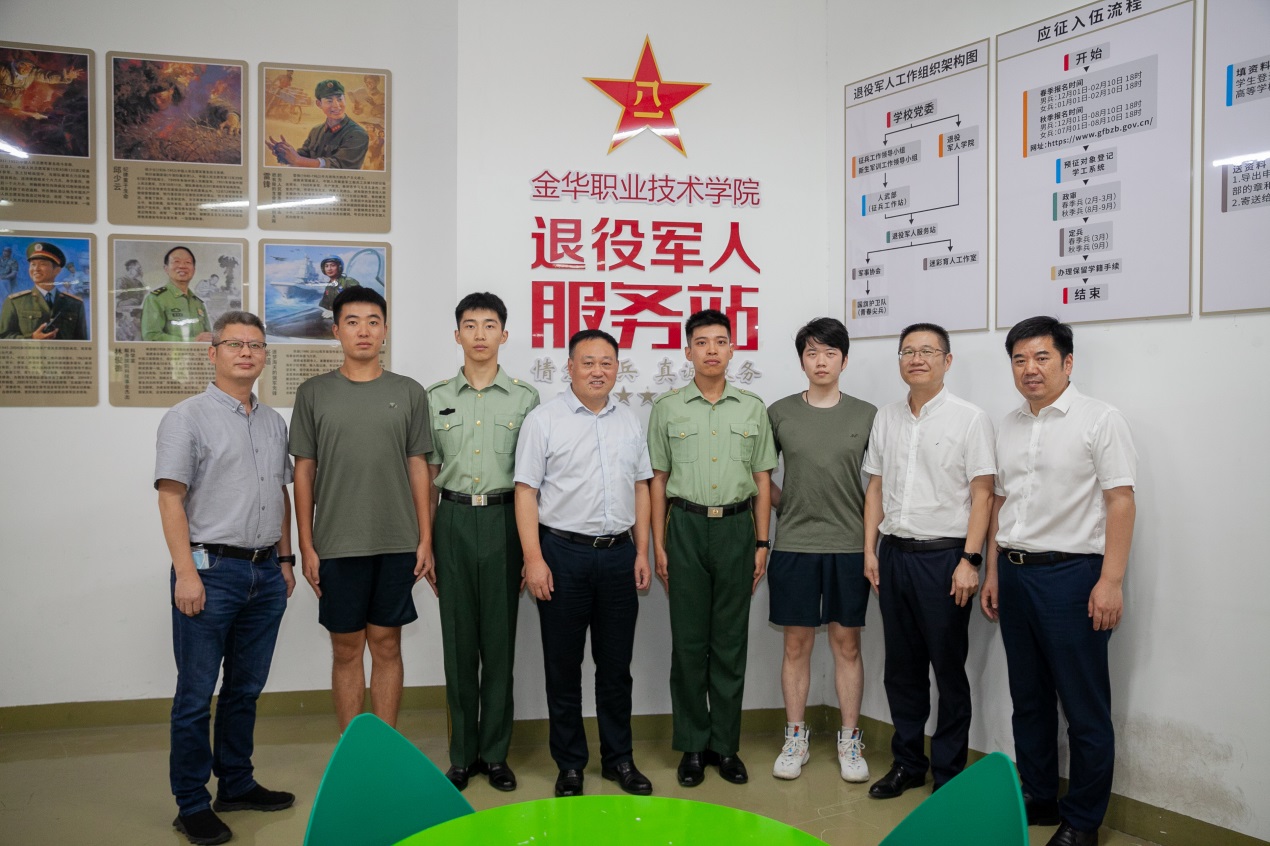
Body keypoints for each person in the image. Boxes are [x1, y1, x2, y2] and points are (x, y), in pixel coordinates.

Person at [982, 316, 1137, 846]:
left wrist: (1111, 581)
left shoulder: (1100, 419)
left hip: (1074, 578)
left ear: (1068, 363)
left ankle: (1083, 822)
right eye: (1020, 359)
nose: (1030, 369)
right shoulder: (1007, 424)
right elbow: (1001, 502)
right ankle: (1039, 795)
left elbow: (1121, 501)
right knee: (1028, 699)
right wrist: (993, 570)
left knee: (1084, 708)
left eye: (1042, 357)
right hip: (1015, 574)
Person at [155, 311, 296, 846]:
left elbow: (279, 493)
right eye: (234, 344)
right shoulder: (186, 418)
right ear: (212, 352)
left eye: (255, 345)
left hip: (265, 573)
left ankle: (235, 783)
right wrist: (186, 573)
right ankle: (191, 804)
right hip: (210, 573)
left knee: (245, 690)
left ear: (265, 357)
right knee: (195, 695)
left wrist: (286, 561)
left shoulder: (273, 421)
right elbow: (171, 498)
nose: (246, 353)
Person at [515, 329, 655, 798]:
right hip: (562, 555)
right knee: (563, 667)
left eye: (607, 362)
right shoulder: (544, 420)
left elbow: (641, 485)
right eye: (588, 362)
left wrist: (641, 550)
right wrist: (534, 559)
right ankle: (570, 764)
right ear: (569, 368)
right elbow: (526, 492)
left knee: (616, 667)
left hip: (618, 556)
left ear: (617, 368)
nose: (598, 371)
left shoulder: (629, 421)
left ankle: (619, 759)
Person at [290, 287, 434, 732]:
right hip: (336, 543)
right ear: (336, 331)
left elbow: (418, 467)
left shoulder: (409, 392)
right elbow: (304, 472)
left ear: (385, 329)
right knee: (346, 649)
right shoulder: (314, 393)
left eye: (373, 321)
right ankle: (352, 753)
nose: (364, 331)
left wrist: (426, 538)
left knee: (387, 645)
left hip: (397, 540)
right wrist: (306, 545)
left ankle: (384, 750)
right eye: (352, 322)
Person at [860, 322, 995, 799]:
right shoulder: (887, 417)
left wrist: (971, 560)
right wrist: (870, 550)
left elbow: (983, 495)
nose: (916, 359)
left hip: (945, 559)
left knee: (948, 670)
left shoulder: (970, 419)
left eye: (928, 351)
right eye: (908, 351)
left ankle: (950, 774)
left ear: (947, 361)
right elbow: (875, 488)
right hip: (894, 555)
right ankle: (907, 764)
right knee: (902, 669)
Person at [648, 309, 777, 788]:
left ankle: (725, 746)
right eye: (701, 342)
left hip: (737, 530)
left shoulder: (752, 408)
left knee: (730, 643)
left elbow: (763, 480)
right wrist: (659, 544)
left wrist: (762, 542)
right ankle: (692, 746)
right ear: (687, 351)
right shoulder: (667, 408)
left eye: (720, 341)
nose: (711, 350)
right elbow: (657, 480)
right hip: (684, 527)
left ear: (732, 348)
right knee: (688, 644)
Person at [426, 292, 539, 792]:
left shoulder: (525, 398)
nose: (479, 334)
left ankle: (495, 754)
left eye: (489, 325)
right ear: (457, 335)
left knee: (498, 644)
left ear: (504, 335)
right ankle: (461, 755)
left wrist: (531, 550)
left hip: (504, 521)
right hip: (451, 519)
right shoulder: (434, 397)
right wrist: (426, 541)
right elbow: (427, 475)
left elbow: (533, 481)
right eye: (469, 325)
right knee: (457, 645)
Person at [766, 318, 877, 782]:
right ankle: (796, 737)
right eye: (812, 353)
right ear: (801, 361)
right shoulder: (779, 413)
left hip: (848, 547)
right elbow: (759, 478)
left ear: (844, 360)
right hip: (794, 545)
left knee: (846, 645)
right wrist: (787, 503)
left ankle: (850, 740)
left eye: (830, 353)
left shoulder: (868, 415)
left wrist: (869, 546)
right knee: (796, 644)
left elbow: (878, 485)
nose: (821, 361)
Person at [267, 79, 369, 170]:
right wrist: (285, 153)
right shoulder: (316, 131)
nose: (336, 105)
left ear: (345, 100)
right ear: (319, 104)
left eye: (339, 99)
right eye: (329, 101)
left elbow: (339, 165)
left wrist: (298, 160)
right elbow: (304, 156)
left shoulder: (357, 134)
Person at [0, 241, 87, 340]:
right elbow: (3, 337)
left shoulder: (75, 304)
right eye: (33, 264)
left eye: (43, 264)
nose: (36, 269)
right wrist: (32, 339)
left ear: (57, 270)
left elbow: (82, 341)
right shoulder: (14, 302)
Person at [142, 246, 212, 342]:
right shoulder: (155, 299)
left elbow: (208, 337)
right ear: (166, 268)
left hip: (199, 352)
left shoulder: (198, 303)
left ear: (194, 270)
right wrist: (193, 341)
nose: (182, 266)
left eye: (188, 262)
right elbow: (151, 336)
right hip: (169, 352)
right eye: (176, 261)